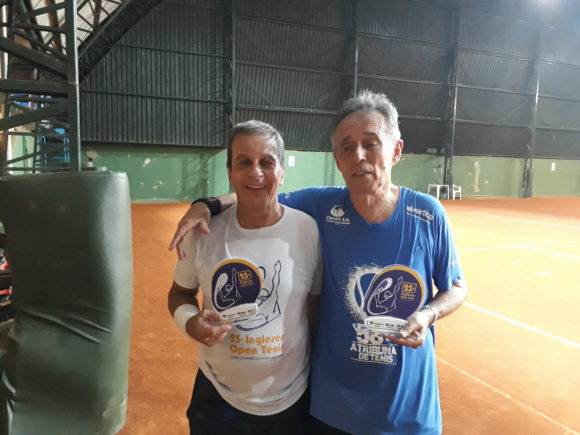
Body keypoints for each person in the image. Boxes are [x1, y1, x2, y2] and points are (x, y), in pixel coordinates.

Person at [169, 90, 468, 434]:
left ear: (396, 150)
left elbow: (456, 287)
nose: (359, 156)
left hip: (407, 408)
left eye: (370, 144)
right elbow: (258, 193)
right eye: (347, 147)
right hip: (332, 409)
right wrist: (206, 204)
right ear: (337, 159)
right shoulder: (322, 208)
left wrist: (428, 314)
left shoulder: (428, 214)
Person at [168, 120, 322, 435]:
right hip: (218, 399)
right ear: (230, 173)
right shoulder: (201, 233)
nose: (256, 173)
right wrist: (190, 323)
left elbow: (313, 306)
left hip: (292, 400)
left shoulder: (309, 230)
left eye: (267, 162)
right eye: (244, 163)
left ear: (282, 172)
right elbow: (180, 293)